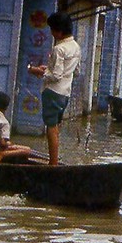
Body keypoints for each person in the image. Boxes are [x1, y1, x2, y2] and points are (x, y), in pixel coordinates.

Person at [26, 11, 80, 166]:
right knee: (56, 127)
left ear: (59, 31)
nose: (51, 33)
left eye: (52, 30)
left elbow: (55, 75)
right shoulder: (75, 47)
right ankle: (54, 160)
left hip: (53, 92)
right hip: (65, 93)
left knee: (51, 127)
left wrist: (40, 71)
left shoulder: (59, 49)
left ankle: (53, 163)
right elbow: (76, 71)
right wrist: (49, 69)